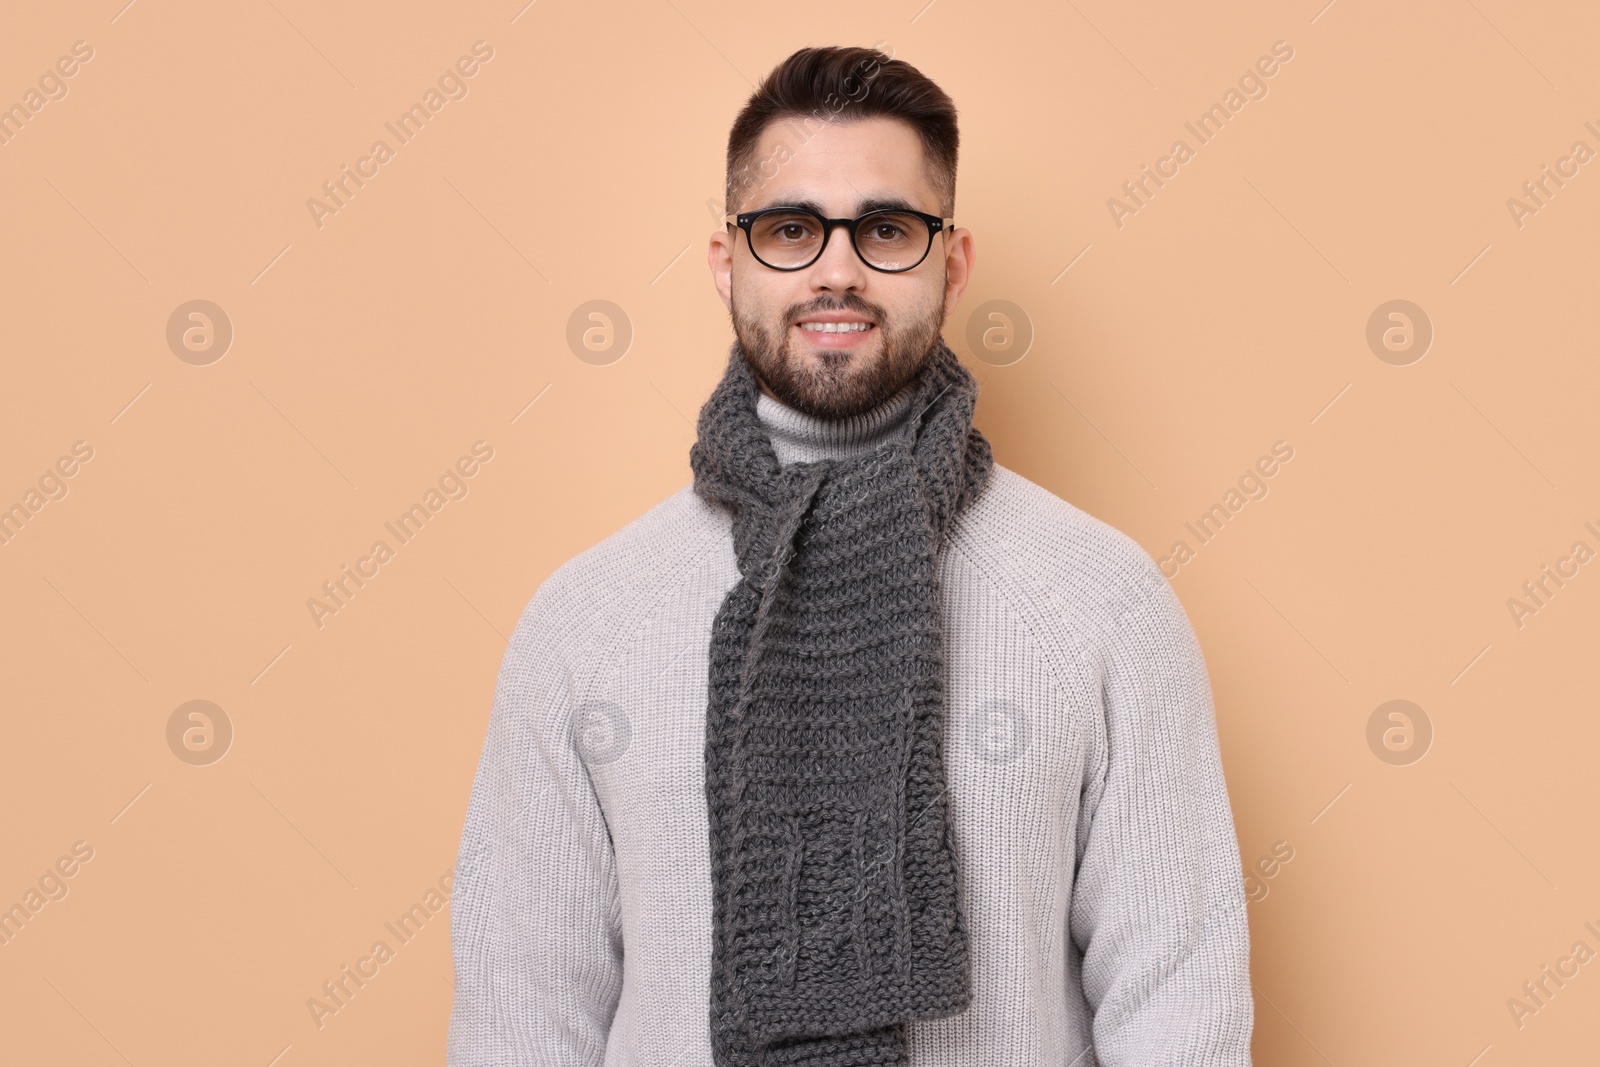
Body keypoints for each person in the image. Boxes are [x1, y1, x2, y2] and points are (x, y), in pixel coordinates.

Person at [448, 45, 1254, 1067]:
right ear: (724, 262)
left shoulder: (1102, 601)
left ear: (950, 264)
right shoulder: (586, 617)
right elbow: (522, 1014)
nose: (837, 268)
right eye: (789, 229)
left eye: (885, 229)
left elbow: (1179, 1007)